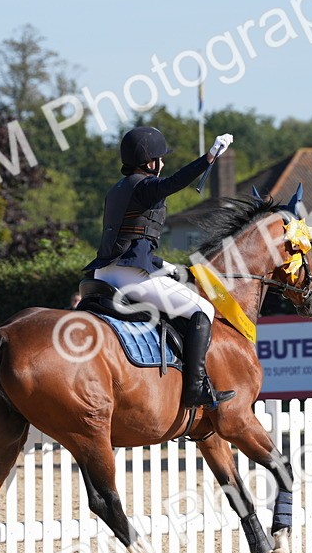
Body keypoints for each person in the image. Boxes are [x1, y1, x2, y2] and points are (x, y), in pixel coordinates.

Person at [83, 125, 236, 408]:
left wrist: (164, 265)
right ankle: (196, 388)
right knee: (204, 309)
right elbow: (175, 182)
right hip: (129, 277)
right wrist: (208, 158)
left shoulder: (116, 190)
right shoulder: (144, 187)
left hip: (104, 273)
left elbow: (130, 241)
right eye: (160, 159)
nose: (163, 164)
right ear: (149, 161)